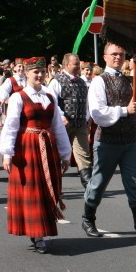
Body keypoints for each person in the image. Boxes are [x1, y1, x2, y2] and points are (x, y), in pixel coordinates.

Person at [82, 43, 136, 243]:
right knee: (99, 183)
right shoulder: (99, 81)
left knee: (135, 184)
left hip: (130, 141)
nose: (118, 57)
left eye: (121, 54)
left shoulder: (131, 79)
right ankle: (88, 217)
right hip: (107, 141)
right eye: (114, 54)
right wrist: (125, 110)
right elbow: (98, 113)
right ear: (105, 57)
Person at [0, 57, 71, 254]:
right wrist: (7, 153)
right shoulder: (18, 97)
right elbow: (11, 126)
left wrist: (65, 153)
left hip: (47, 145)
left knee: (47, 188)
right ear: (27, 74)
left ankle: (41, 231)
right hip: (28, 148)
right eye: (35, 72)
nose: (39, 75)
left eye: (41, 72)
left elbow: (57, 127)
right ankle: (37, 234)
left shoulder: (49, 97)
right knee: (33, 190)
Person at [48, 53, 93, 189]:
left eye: (78, 63)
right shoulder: (57, 81)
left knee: (84, 155)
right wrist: (61, 116)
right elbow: (52, 102)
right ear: (67, 65)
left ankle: (89, 187)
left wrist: (86, 118)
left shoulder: (82, 81)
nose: (79, 66)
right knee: (58, 155)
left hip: (80, 125)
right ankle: (54, 186)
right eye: (76, 63)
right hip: (62, 126)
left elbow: (86, 102)